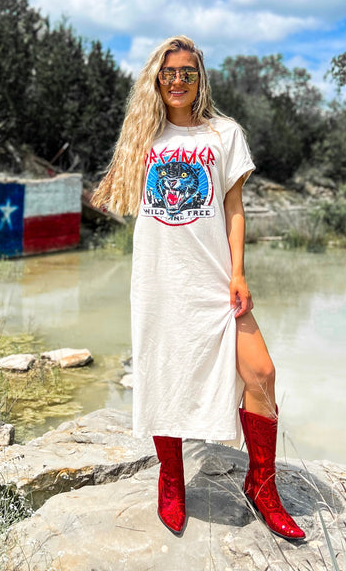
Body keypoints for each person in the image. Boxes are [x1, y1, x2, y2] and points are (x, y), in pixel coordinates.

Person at [92, 35, 305, 540]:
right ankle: (171, 480)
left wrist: (239, 272)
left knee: (262, 374)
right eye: (169, 73)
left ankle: (262, 486)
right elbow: (117, 194)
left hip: (214, 278)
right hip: (160, 279)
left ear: (200, 78)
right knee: (163, 375)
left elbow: (233, 207)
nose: (178, 81)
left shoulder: (224, 133)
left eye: (187, 72)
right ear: (157, 79)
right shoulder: (144, 133)